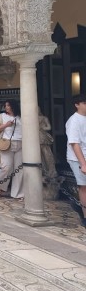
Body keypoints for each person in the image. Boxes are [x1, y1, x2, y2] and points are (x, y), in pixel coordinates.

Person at [0, 99, 24, 199]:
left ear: (13, 106)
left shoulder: (21, 117)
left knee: (19, 169)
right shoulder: (2, 116)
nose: (6, 107)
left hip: (20, 144)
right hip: (7, 143)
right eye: (5, 105)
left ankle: (17, 193)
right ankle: (0, 188)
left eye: (8, 105)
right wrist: (6, 125)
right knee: (6, 167)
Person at [65, 94, 86, 227]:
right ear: (77, 105)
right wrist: (83, 163)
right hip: (77, 158)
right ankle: (85, 215)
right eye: (84, 103)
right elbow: (74, 143)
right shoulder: (74, 120)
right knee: (84, 186)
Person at [38, 107, 57, 179]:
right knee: (39, 156)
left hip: (42, 137)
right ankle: (43, 171)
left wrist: (42, 128)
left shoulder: (44, 118)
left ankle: (51, 171)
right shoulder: (31, 118)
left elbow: (49, 127)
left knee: (47, 155)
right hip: (34, 137)